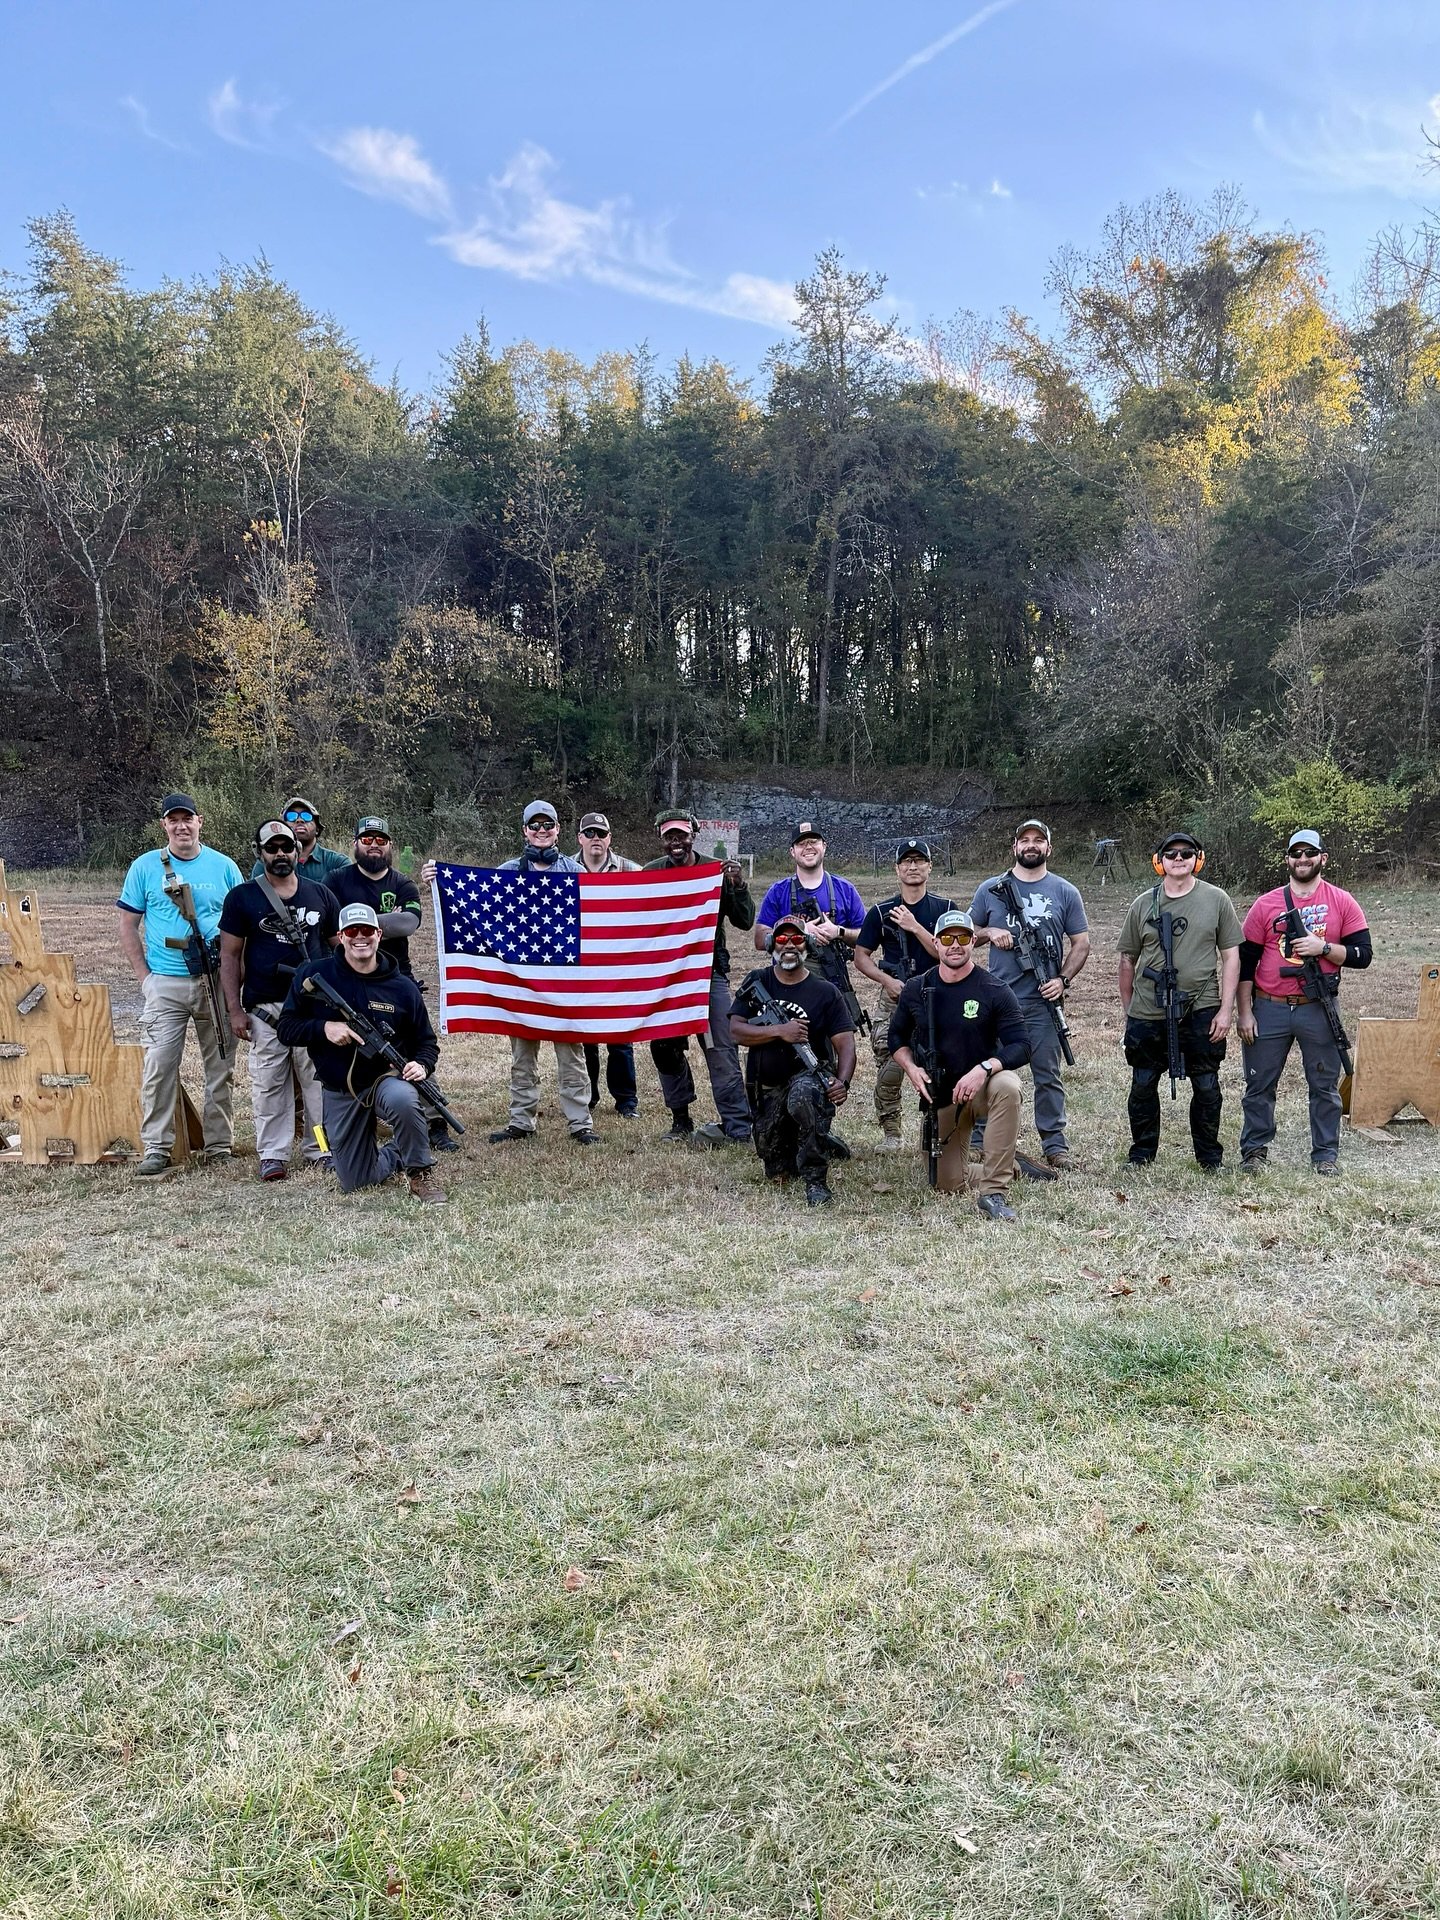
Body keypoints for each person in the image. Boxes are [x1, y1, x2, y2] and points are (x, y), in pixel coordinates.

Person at [276, 903, 446, 1203]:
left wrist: (422, 1065)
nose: (360, 937)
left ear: (379, 934)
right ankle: (396, 1153)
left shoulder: (403, 988)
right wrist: (324, 1028)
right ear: (341, 936)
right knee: (357, 1181)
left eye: (366, 930)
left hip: (385, 1079)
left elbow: (426, 1043)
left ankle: (420, 1172)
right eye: (352, 931)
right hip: (341, 1088)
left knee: (404, 1099)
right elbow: (286, 1029)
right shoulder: (315, 974)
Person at [117, 793, 244, 1177]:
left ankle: (219, 1145)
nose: (181, 826)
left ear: (199, 821)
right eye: (173, 820)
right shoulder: (144, 867)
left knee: (220, 1066)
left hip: (214, 980)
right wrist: (145, 979)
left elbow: (242, 927)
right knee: (159, 1067)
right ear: (164, 825)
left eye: (187, 818)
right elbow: (127, 925)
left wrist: (236, 983)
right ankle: (157, 1147)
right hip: (166, 983)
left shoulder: (224, 867)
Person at [1236, 829, 1372, 1176]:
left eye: (1309, 853)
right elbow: (1245, 963)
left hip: (1318, 1007)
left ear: (1322, 858)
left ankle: (1325, 1155)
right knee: (1259, 1085)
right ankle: (1254, 1152)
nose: (1302, 859)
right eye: (1295, 853)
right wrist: (1245, 1012)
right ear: (1287, 860)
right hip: (1269, 1006)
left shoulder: (1342, 901)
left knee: (1324, 1086)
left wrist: (1322, 948)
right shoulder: (1266, 904)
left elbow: (1363, 955)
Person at [888, 910, 1031, 1221]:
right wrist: (911, 1068)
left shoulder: (994, 989)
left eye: (963, 938)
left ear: (973, 942)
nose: (955, 944)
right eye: (948, 938)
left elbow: (1022, 1046)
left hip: (982, 1087)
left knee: (1008, 1086)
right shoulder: (916, 988)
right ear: (936, 943)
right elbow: (895, 1037)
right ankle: (1012, 1165)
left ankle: (994, 1192)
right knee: (946, 1181)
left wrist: (984, 1068)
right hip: (942, 1094)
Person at [219, 818, 339, 1180]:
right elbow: (229, 957)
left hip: (312, 1009)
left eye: (287, 846)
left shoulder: (321, 894)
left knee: (317, 1085)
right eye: (271, 848)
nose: (280, 853)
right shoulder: (242, 898)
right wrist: (234, 1010)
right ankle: (272, 1154)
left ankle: (320, 1148)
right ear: (260, 853)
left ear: (298, 850)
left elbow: (339, 950)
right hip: (265, 1009)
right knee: (269, 1084)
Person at [969, 819, 1091, 1170]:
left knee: (1047, 1075)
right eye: (1025, 840)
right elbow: (965, 932)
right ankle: (977, 1140)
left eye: (1039, 840)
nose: (1031, 845)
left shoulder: (1065, 891)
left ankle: (1055, 1145)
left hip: (1043, 1002)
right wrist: (990, 932)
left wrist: (1062, 980)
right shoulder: (990, 889)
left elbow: (1081, 943)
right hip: (998, 1000)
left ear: (1049, 847)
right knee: (985, 1069)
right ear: (1015, 847)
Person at [1117, 831, 1242, 1171]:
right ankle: (1141, 1155)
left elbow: (1231, 956)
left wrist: (1225, 1010)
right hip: (1149, 1008)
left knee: (1206, 1083)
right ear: (1159, 862)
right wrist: (1130, 1010)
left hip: (1201, 1008)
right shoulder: (1142, 904)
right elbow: (1127, 959)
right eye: (1171, 854)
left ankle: (1209, 1158)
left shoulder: (1217, 900)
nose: (1178, 859)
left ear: (1197, 859)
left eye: (1186, 853)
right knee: (1143, 1082)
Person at [486, 800, 596, 1146]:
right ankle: (521, 1121)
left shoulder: (576, 872)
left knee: (571, 1054)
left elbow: (595, 917)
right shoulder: (507, 871)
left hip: (564, 977)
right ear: (525, 831)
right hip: (521, 977)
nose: (541, 831)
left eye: (548, 824)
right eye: (534, 825)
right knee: (522, 1056)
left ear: (558, 829)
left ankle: (580, 1123)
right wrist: (438, 881)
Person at [645, 809, 755, 1146]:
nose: (676, 842)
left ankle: (738, 1124)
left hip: (709, 973)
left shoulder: (716, 871)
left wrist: (738, 886)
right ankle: (681, 1119)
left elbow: (745, 921)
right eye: (669, 836)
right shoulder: (651, 873)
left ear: (693, 835)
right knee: (664, 1046)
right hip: (666, 976)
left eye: (681, 835)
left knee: (720, 1046)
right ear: (661, 839)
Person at [731, 913, 856, 1207]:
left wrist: (843, 1082)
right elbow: (735, 1031)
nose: (789, 944)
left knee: (803, 1096)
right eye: (782, 938)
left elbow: (846, 1043)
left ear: (807, 944)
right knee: (777, 1168)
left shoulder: (825, 991)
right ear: (772, 944)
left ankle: (816, 1180)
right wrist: (779, 1031)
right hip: (768, 1088)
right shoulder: (758, 981)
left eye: (797, 938)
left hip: (808, 1081)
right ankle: (817, 1138)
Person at [852, 838, 957, 1149]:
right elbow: (861, 956)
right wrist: (886, 981)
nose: (913, 866)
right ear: (897, 869)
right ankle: (892, 1134)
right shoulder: (881, 911)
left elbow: (946, 953)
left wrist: (914, 926)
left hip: (936, 996)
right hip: (895, 997)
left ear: (930, 867)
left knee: (941, 1062)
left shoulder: (945, 909)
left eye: (919, 860)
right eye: (907, 861)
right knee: (889, 1063)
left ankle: (939, 1129)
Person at [754, 822, 866, 1012]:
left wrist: (838, 932)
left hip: (833, 986)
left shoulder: (845, 889)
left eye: (813, 841)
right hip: (787, 989)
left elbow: (865, 938)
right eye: (801, 843)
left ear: (824, 846)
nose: (808, 847)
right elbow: (759, 939)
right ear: (792, 851)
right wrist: (801, 931)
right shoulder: (778, 891)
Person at [574, 810, 641, 1120]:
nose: (595, 838)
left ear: (610, 838)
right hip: (581, 965)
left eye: (601, 833)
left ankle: (626, 1101)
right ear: (580, 838)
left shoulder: (632, 870)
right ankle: (587, 1098)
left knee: (620, 1037)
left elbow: (656, 900)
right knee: (584, 1038)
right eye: (589, 833)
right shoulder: (566, 870)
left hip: (618, 965)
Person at [248, 795, 349, 886]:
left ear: (317, 828)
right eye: (291, 816)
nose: (299, 820)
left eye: (307, 816)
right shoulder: (266, 862)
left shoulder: (338, 863)